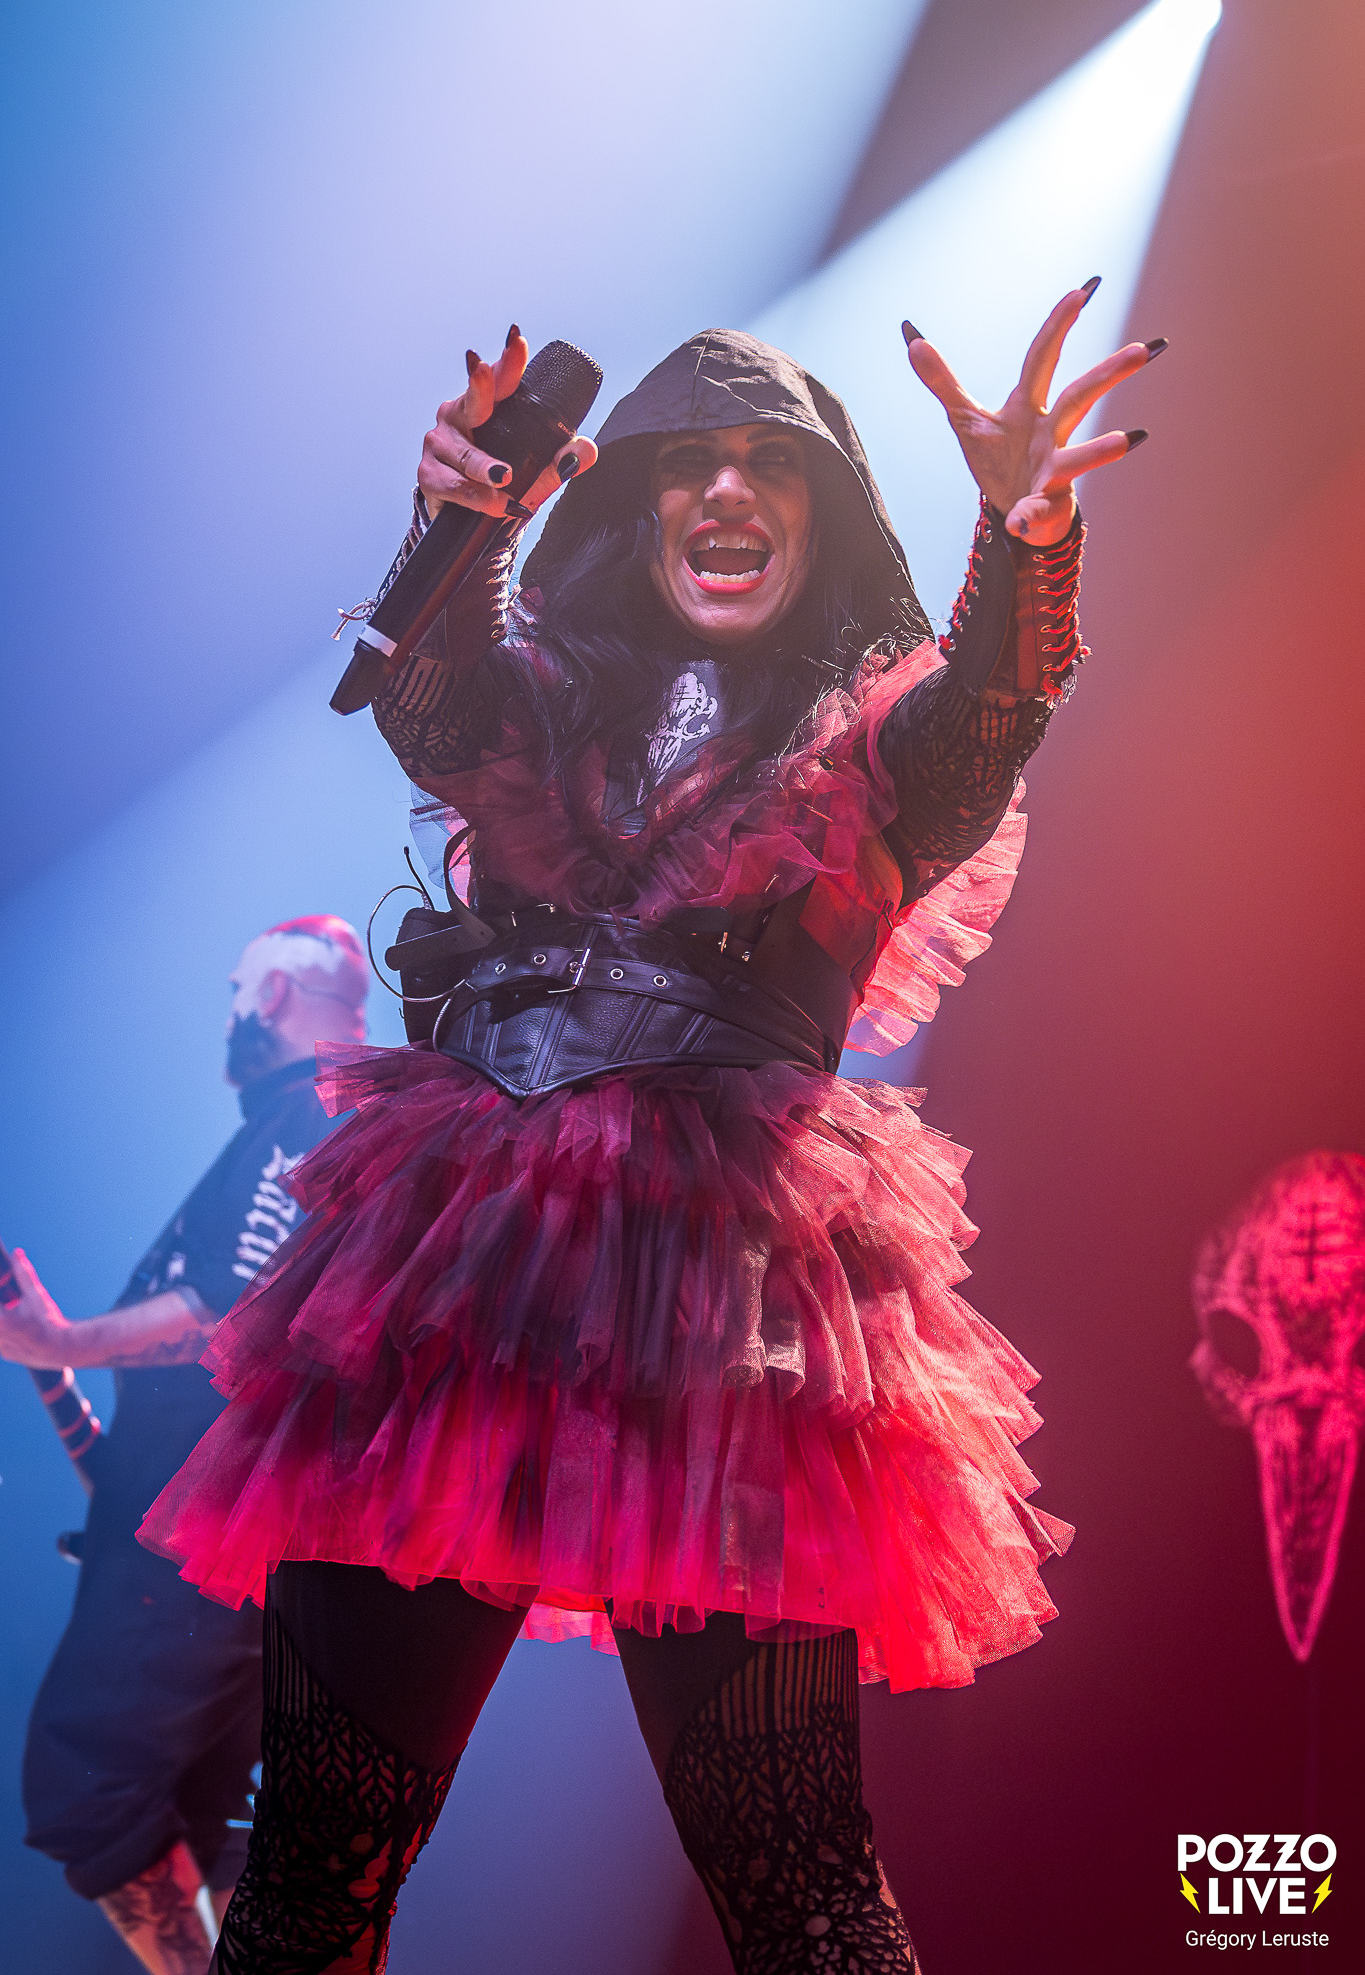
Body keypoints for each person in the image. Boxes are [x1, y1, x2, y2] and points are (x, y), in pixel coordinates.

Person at [142, 291, 1161, 1973]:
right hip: (449, 1292)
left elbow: (989, 717)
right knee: (314, 1862)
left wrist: (1028, 537)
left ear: (825, 516)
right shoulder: (539, 705)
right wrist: (467, 512)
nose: (729, 488)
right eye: (690, 461)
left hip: (718, 1313)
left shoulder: (879, 747)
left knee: (799, 1882)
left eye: (774, 462)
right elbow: (428, 702)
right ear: (634, 504)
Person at [2, 917, 369, 1975]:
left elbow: (234, 1302)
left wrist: (62, 1341)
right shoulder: (310, 1118)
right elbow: (192, 1409)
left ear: (275, 992)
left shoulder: (313, 1107)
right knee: (209, 1817)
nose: (229, 1013)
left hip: (203, 1556)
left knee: (89, 1788)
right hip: (223, 1544)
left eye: (237, 990)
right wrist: (62, 1386)